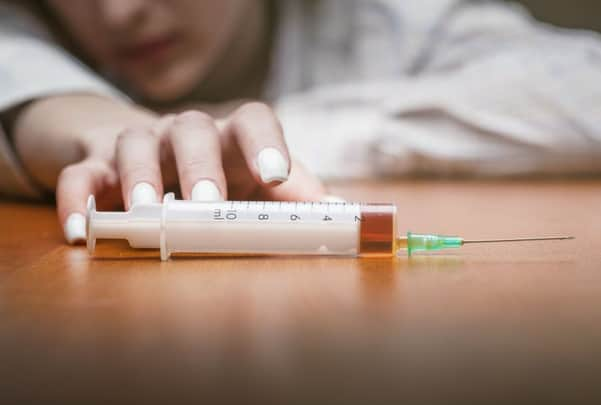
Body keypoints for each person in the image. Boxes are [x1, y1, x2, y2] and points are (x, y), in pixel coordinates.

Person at [1, 0, 600, 244]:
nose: (120, 11)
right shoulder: (31, 25)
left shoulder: (389, 17)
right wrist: (88, 123)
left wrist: (273, 134)